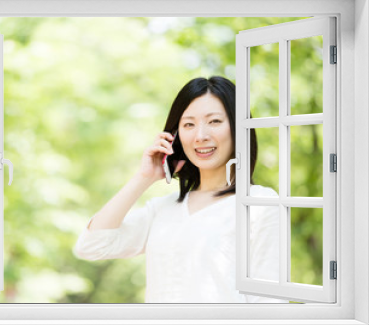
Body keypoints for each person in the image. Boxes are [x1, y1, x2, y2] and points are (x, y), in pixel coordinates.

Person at [73, 76, 288, 303]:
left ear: (238, 127)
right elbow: (91, 246)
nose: (201, 135)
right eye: (188, 124)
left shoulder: (259, 203)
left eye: (214, 121)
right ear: (175, 137)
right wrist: (143, 178)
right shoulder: (163, 208)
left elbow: (270, 303)